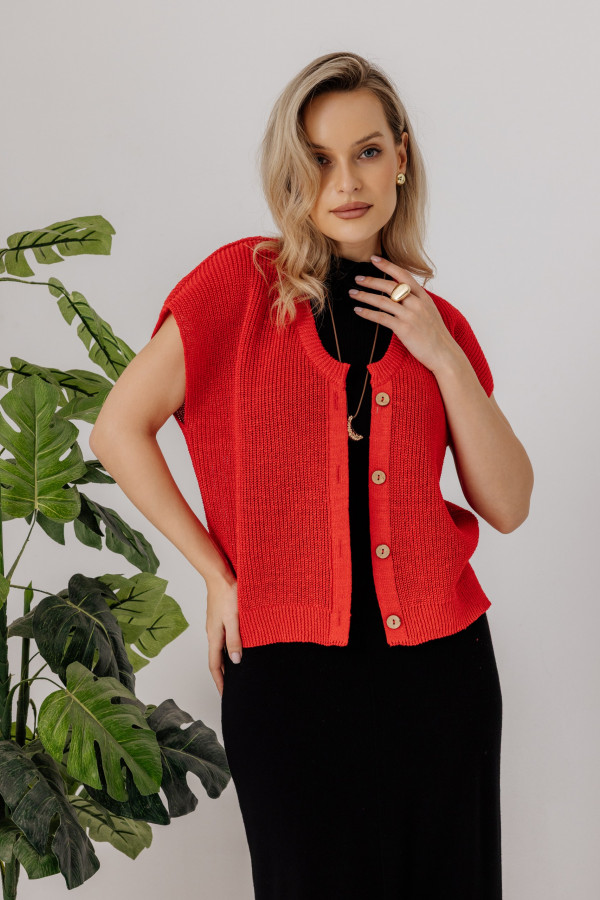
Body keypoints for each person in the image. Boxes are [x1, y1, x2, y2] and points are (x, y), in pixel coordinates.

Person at [90, 51, 534, 900]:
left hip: (442, 681)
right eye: (319, 160)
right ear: (291, 172)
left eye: (367, 152)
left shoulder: (439, 324)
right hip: (289, 686)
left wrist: (441, 354)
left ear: (401, 156)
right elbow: (119, 429)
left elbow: (509, 503)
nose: (346, 182)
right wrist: (216, 574)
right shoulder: (238, 289)